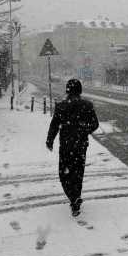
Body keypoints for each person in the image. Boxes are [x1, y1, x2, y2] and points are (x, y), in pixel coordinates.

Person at [46, 79, 99, 217]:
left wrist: (50, 140)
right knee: (78, 173)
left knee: (64, 173)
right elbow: (95, 124)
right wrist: (83, 130)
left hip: (66, 146)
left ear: (67, 90)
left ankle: (72, 196)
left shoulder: (61, 106)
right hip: (81, 145)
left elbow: (54, 125)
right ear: (80, 90)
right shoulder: (87, 105)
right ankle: (76, 197)